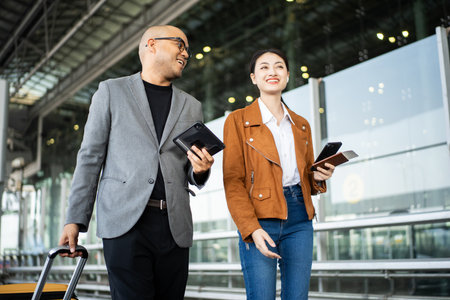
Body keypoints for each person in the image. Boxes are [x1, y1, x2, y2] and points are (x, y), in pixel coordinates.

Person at [58, 25, 214, 300]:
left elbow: (188, 167)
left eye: (187, 48)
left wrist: (200, 171)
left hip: (174, 226)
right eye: (180, 44)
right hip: (125, 224)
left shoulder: (192, 105)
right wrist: (74, 220)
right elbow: (90, 158)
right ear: (151, 44)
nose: (186, 53)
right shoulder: (111, 92)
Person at [223, 49, 335, 300]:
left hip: (299, 217)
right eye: (264, 67)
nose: (272, 71)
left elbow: (306, 176)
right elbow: (233, 182)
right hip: (259, 217)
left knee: (297, 297)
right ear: (253, 78)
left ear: (286, 76)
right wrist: (250, 228)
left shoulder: (301, 123)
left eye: (279, 67)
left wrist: (318, 178)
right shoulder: (237, 120)